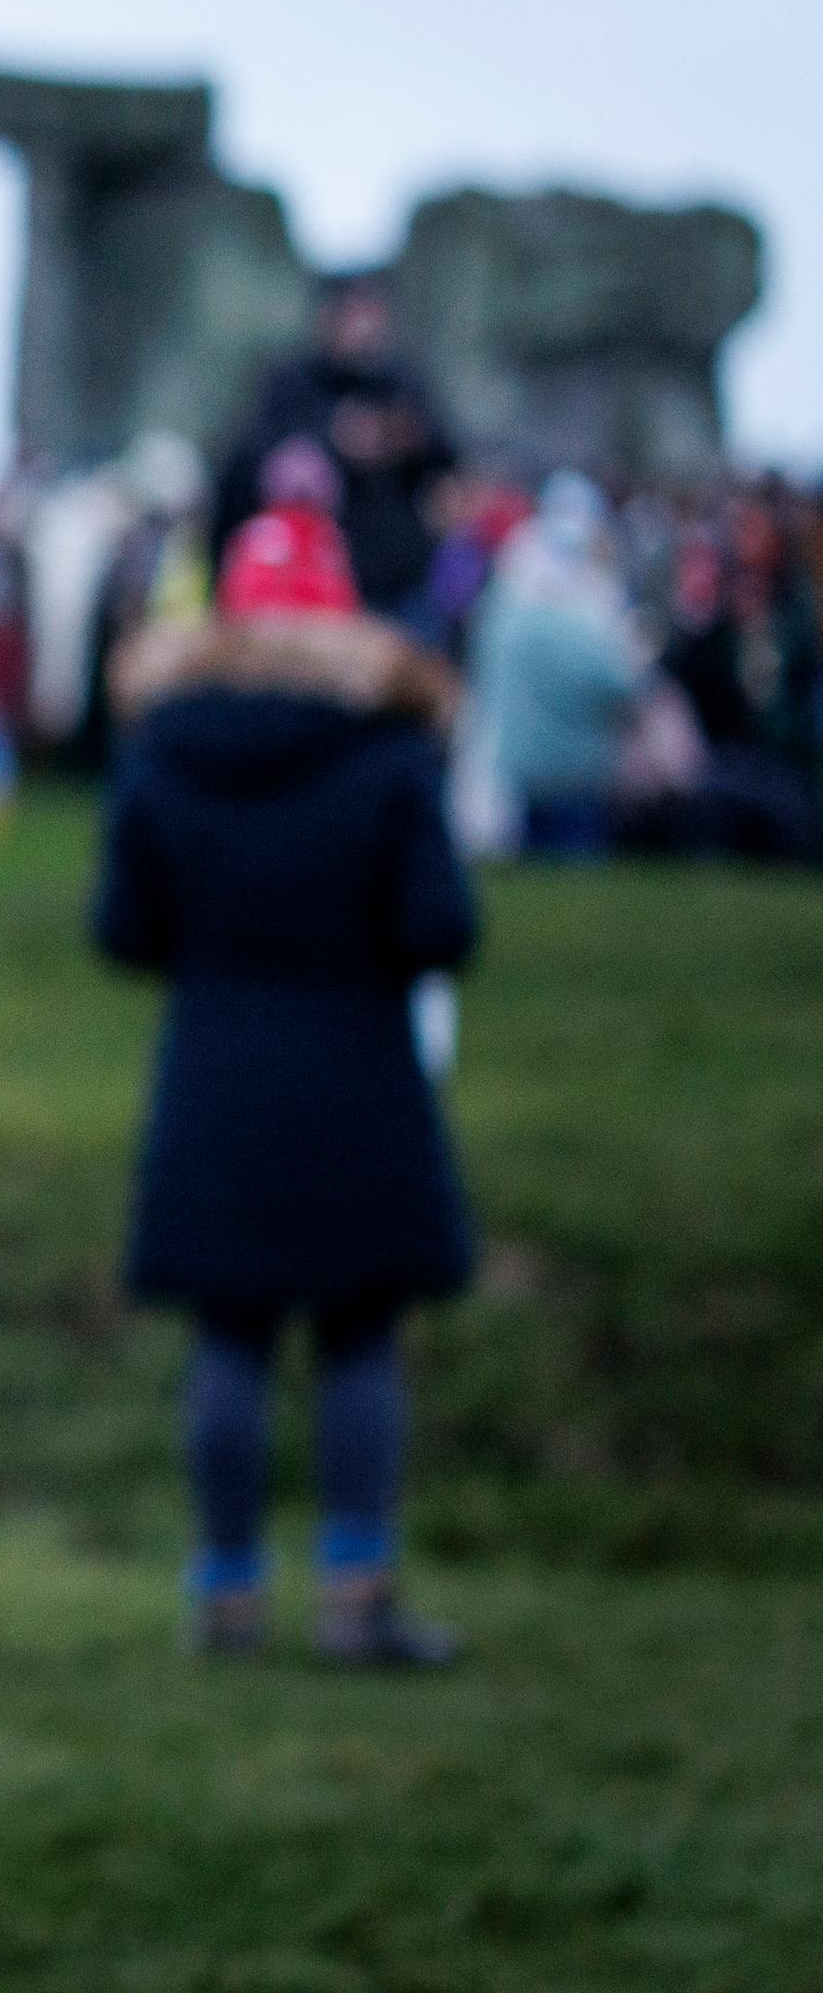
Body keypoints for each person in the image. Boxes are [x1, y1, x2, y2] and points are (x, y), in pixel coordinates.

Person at [96, 512, 476, 1668]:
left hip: (216, 1070)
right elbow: (440, 926)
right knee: (362, 1334)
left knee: (231, 1334)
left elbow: (125, 931)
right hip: (357, 1068)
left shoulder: (165, 746)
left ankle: (227, 1599)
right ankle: (358, 1603)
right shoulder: (391, 751)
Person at [214, 272, 458, 616]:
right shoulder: (291, 384)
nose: (364, 328)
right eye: (352, 314)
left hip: (397, 581)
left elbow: (445, 463)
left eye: (372, 314)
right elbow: (246, 467)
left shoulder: (403, 384)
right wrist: (332, 440)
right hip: (305, 585)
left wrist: (404, 440)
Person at [467, 473, 647, 860]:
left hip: (521, 761)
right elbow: (616, 679)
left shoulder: (508, 584)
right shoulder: (576, 601)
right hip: (570, 768)